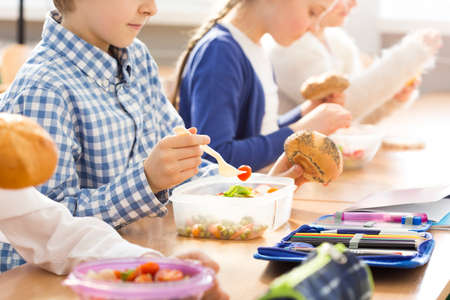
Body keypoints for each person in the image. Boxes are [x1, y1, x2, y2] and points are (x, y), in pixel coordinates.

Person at [0, 0, 303, 273]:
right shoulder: (44, 88)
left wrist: (252, 190)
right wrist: (146, 181)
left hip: (127, 258)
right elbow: (40, 234)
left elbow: (186, 169)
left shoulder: (138, 59)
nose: (151, 8)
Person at [172, 0, 352, 171]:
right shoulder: (219, 53)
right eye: (312, 12)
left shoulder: (255, 49)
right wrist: (303, 130)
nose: (314, 27)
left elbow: (258, 133)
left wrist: (304, 114)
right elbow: (216, 157)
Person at [263, 0, 442, 123]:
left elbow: (354, 117)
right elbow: (348, 104)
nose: (354, 2)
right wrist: (411, 54)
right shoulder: (287, 46)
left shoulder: (337, 40)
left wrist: (392, 100)